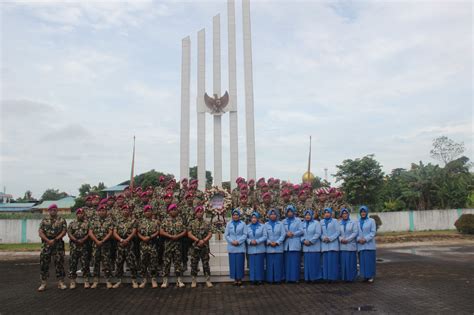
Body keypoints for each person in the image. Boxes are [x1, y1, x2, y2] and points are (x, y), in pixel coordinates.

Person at [37, 204, 67, 292]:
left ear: (57, 210)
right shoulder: (44, 220)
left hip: (58, 244)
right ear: (48, 211)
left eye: (54, 210)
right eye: (51, 210)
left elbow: (64, 231)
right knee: (44, 264)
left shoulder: (61, 220)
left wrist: (55, 239)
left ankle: (61, 282)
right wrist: (48, 240)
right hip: (46, 245)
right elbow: (40, 232)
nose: (53, 211)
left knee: (59, 263)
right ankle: (43, 283)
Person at [160, 203, 187, 288]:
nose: (174, 211)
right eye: (172, 210)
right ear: (169, 211)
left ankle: (179, 280)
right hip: (168, 244)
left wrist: (178, 236)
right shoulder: (165, 220)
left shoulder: (181, 220)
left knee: (177, 262)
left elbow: (185, 231)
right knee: (166, 262)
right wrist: (170, 236)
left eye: (175, 209)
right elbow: (161, 231)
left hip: (177, 244)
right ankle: (165, 280)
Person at [88, 203, 114, 289]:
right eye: (100, 210)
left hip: (105, 244)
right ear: (97, 212)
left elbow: (110, 232)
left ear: (106, 211)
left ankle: (108, 281)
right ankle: (95, 281)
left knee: (106, 262)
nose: (102, 212)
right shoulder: (93, 220)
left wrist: (102, 241)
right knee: (96, 262)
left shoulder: (109, 220)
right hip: (96, 244)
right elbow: (90, 232)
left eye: (103, 210)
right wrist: (96, 241)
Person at [112, 204, 138, 288]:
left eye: (127, 210)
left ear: (129, 211)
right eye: (124, 210)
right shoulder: (118, 221)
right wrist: (121, 240)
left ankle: (134, 281)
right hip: (120, 243)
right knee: (119, 262)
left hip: (130, 243)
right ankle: (119, 281)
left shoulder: (133, 220)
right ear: (121, 211)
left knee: (132, 263)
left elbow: (134, 231)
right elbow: (114, 232)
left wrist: (127, 240)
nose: (125, 211)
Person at [187, 205, 213, 288]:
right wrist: (198, 240)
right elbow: (189, 234)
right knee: (194, 264)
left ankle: (208, 280)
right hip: (195, 247)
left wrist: (204, 240)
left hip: (204, 246)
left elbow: (210, 233)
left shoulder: (207, 222)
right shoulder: (191, 223)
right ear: (195, 213)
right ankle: (194, 280)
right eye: (198, 212)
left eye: (201, 212)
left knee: (205, 264)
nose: (200, 213)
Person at [137, 205, 160, 288]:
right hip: (143, 244)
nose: (148, 212)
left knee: (153, 261)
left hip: (152, 244)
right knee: (143, 262)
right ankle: (144, 280)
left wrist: (150, 237)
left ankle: (153, 279)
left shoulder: (156, 222)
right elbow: (137, 232)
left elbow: (158, 231)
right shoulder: (140, 222)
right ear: (144, 212)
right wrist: (143, 237)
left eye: (149, 211)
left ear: (152, 212)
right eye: (146, 211)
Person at [67, 208, 90, 289]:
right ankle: (72, 281)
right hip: (74, 246)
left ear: (84, 214)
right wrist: (75, 240)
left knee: (85, 263)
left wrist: (83, 239)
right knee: (73, 263)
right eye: (79, 213)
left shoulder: (87, 223)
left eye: (82, 213)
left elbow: (89, 233)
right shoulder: (72, 223)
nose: (80, 214)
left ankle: (86, 280)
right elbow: (69, 233)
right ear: (76, 214)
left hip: (84, 246)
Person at [224, 209, 247, 286]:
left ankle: (240, 279)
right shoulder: (228, 224)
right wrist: (232, 241)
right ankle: (234, 279)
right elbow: (226, 235)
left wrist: (238, 241)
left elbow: (245, 234)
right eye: (234, 215)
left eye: (237, 215)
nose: (235, 216)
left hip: (240, 246)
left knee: (240, 263)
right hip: (232, 246)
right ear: (232, 216)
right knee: (233, 263)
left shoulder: (243, 224)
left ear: (239, 216)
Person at [282, 205, 303, 283]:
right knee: (287, 263)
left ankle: (295, 278)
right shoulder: (283, 221)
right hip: (287, 244)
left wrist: (293, 233)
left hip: (295, 243)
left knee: (295, 262)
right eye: (288, 211)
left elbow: (301, 230)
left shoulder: (298, 220)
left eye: (291, 211)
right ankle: (288, 278)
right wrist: (286, 234)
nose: (290, 213)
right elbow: (281, 231)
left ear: (294, 212)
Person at [265, 209, 285, 284]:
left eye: (274, 214)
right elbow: (264, 235)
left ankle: (278, 279)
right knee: (270, 265)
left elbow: (283, 235)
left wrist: (277, 242)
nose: (273, 216)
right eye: (271, 214)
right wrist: (269, 242)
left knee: (278, 264)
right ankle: (270, 279)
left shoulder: (280, 224)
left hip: (278, 247)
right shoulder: (266, 225)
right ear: (269, 216)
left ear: (277, 215)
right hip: (269, 247)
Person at [301, 209, 322, 283]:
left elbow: (318, 233)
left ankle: (315, 278)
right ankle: (308, 278)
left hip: (314, 246)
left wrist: (310, 241)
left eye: (309, 215)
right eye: (306, 215)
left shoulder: (316, 223)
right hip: (306, 247)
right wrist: (303, 240)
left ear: (312, 215)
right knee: (307, 264)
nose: (307, 216)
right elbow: (301, 234)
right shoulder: (302, 224)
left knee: (314, 263)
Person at [357, 206, 377, 283]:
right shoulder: (357, 222)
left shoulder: (371, 221)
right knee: (363, 262)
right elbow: (356, 233)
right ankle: (365, 276)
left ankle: (371, 276)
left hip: (369, 245)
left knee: (369, 261)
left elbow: (373, 232)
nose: (363, 213)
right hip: (361, 245)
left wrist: (365, 239)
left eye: (364, 212)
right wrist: (359, 239)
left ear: (367, 212)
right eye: (361, 212)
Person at [246, 212, 267, 285]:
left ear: (258, 218)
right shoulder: (247, 227)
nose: (254, 219)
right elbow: (245, 237)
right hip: (251, 248)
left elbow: (265, 236)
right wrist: (250, 241)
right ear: (250, 219)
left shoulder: (262, 226)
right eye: (252, 218)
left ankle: (259, 279)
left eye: (255, 218)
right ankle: (253, 279)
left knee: (259, 264)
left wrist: (257, 241)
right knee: (252, 265)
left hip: (260, 248)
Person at [321, 208, 340, 282]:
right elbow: (320, 233)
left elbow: (338, 232)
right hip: (325, 244)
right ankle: (327, 277)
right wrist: (323, 238)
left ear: (331, 214)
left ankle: (333, 278)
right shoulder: (321, 221)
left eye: (328, 212)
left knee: (333, 262)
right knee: (326, 263)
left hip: (333, 244)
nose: (327, 214)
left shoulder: (335, 221)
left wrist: (330, 238)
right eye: (325, 213)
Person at [339, 208, 358, 282]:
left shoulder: (353, 222)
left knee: (351, 262)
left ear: (348, 214)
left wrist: (347, 239)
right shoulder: (339, 223)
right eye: (343, 214)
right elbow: (338, 233)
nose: (345, 215)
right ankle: (344, 277)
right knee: (344, 263)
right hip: (343, 246)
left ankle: (351, 277)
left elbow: (355, 233)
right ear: (341, 215)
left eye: (346, 213)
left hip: (350, 245)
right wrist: (341, 239)